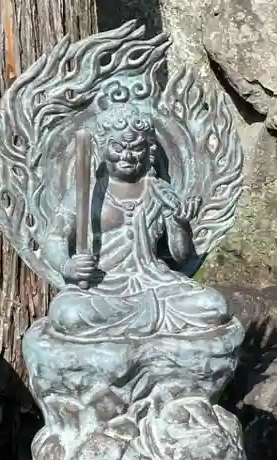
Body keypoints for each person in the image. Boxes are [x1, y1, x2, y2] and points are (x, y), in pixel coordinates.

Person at [42, 101, 231, 338]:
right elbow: (56, 236)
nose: (128, 156)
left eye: (137, 148)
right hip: (101, 287)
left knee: (212, 305)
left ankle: (136, 321)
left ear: (149, 150)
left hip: (154, 284)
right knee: (69, 314)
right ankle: (146, 321)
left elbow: (181, 256)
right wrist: (67, 266)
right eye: (118, 147)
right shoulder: (84, 193)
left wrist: (181, 224)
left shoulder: (159, 191)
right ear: (101, 147)